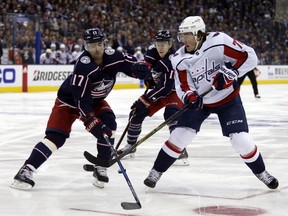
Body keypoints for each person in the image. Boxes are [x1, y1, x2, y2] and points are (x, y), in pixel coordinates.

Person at [143, 16, 279, 190]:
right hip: (202, 102)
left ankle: (261, 172)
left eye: (187, 35)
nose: (183, 40)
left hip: (228, 99)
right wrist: (189, 96)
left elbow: (249, 56)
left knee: (241, 140)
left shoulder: (219, 42)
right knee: (180, 135)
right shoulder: (178, 58)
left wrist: (232, 73)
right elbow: (183, 85)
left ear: (199, 34)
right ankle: (156, 171)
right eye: (181, 36)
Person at [11, 28, 150, 190]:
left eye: (99, 44)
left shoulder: (114, 56)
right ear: (85, 46)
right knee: (55, 137)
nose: (96, 49)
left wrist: (144, 72)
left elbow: (132, 65)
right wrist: (92, 122)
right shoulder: (83, 67)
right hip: (69, 102)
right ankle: (26, 170)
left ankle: (101, 166)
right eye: (92, 46)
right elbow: (81, 101)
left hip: (94, 100)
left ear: (104, 43)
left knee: (109, 124)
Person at [118, 30, 189, 165]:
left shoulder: (173, 58)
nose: (161, 47)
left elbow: (166, 88)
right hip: (161, 90)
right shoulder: (151, 52)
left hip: (175, 91)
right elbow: (149, 69)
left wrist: (145, 99)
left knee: (171, 114)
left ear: (170, 44)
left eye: (164, 44)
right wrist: (150, 78)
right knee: (136, 112)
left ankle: (180, 149)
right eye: (158, 44)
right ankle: (130, 146)